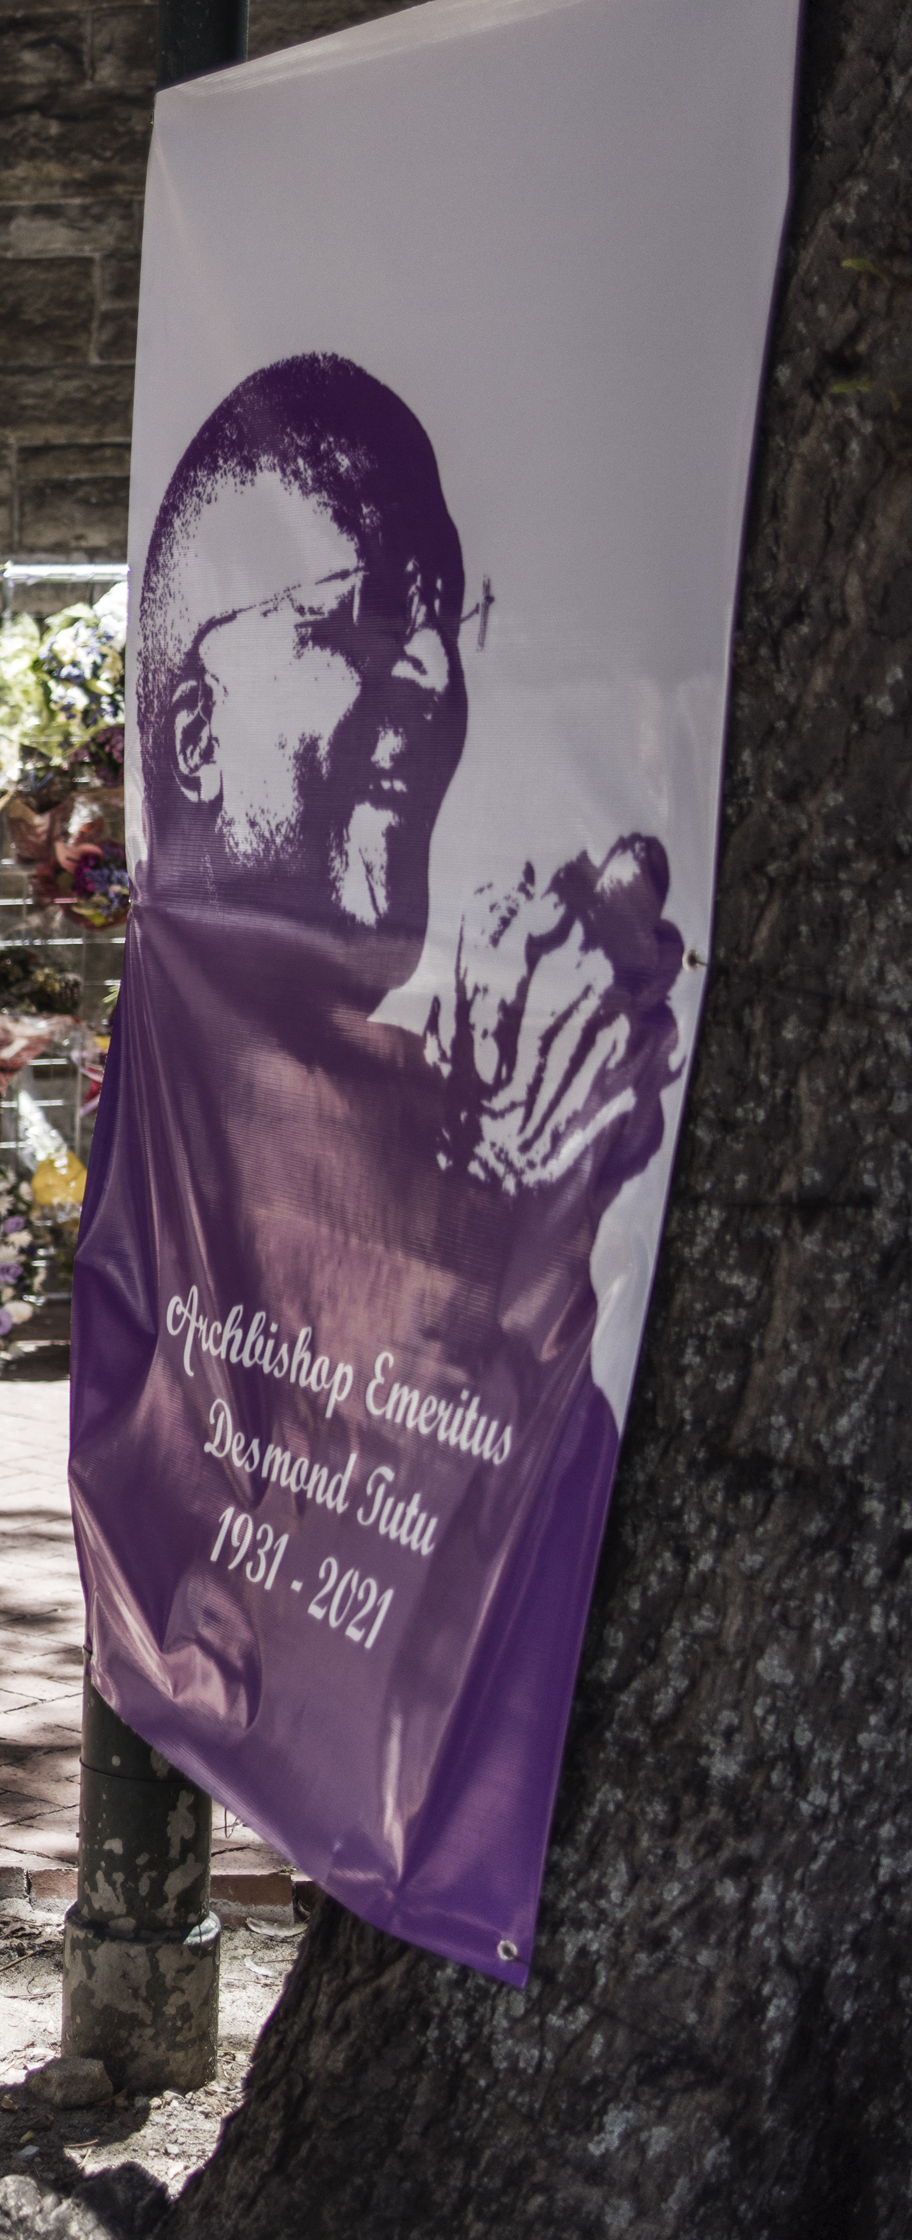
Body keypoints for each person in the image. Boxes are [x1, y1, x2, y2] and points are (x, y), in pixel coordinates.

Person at [71, 350, 687, 1970]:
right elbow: (233, 1535)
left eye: (441, 620)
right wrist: (509, 1231)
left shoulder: (450, 1083)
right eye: (349, 623)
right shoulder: (200, 1105)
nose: (425, 672)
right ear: (192, 725)